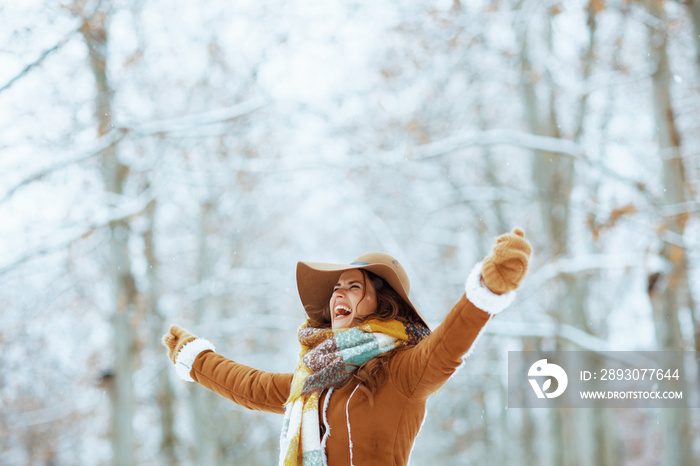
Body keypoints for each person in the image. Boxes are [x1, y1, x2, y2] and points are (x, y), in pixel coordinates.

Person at [163, 228, 532, 466]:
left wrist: (486, 291)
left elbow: (446, 348)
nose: (338, 292)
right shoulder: (315, 380)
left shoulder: (403, 372)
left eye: (354, 286)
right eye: (337, 287)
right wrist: (196, 358)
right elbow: (250, 385)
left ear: (383, 304)